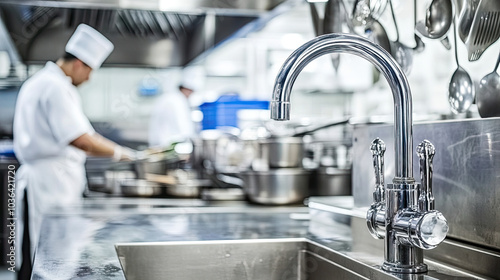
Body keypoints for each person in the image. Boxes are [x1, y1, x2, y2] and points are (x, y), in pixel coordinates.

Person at [13, 24, 137, 279]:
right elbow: (81, 140)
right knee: (51, 260)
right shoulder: (57, 87)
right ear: (79, 63)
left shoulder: (41, 82)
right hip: (51, 184)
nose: (89, 78)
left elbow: (85, 136)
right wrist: (122, 153)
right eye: (90, 71)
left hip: (46, 180)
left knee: (35, 254)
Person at [148, 72, 200, 147]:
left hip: (162, 144)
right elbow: (183, 128)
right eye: (191, 92)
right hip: (168, 146)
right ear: (186, 89)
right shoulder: (177, 101)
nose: (191, 95)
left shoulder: (169, 97)